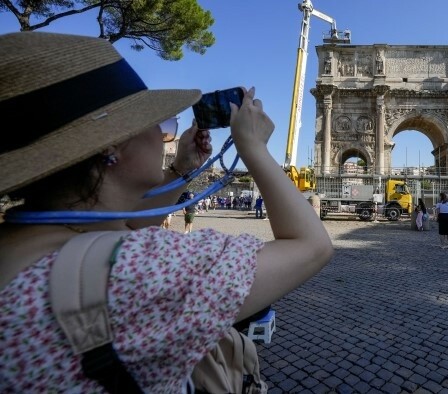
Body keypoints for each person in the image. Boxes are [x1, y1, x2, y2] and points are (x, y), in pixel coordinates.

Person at [0, 32, 333, 392]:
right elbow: (311, 245)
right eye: (159, 125)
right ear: (112, 144)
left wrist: (180, 170)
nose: (167, 136)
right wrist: (253, 148)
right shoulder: (137, 270)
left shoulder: (28, 239)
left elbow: (126, 224)